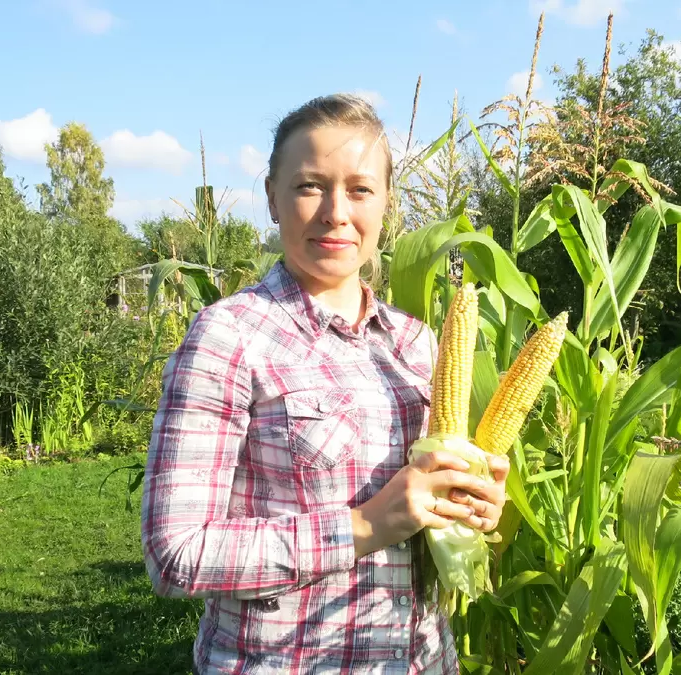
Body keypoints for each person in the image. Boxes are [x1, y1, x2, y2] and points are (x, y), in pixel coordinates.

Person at [140, 93, 510, 674]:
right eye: (311, 185)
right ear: (272, 198)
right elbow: (176, 555)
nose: (337, 212)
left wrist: (472, 505)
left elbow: (428, 516)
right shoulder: (229, 335)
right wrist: (365, 525)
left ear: (386, 203)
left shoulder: (417, 344)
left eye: (361, 189)